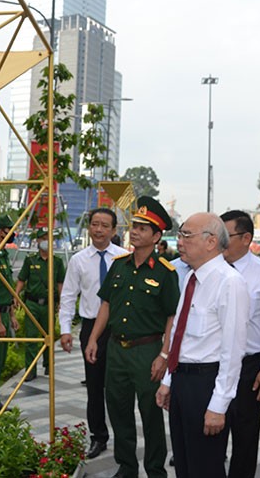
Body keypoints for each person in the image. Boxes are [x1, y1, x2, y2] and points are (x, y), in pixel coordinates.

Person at [85, 197, 179, 478]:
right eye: (134, 226)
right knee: (118, 410)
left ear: (157, 236)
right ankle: (127, 467)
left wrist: (164, 355)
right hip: (116, 350)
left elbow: (171, 318)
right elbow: (106, 305)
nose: (135, 231)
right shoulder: (119, 264)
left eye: (143, 227)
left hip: (146, 351)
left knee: (150, 414)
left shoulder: (165, 272)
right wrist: (93, 339)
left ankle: (154, 470)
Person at [156, 213, 250, 478]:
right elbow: (179, 335)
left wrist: (218, 406)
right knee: (184, 464)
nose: (180, 241)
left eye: (187, 235)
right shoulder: (190, 278)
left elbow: (233, 351)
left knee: (205, 467)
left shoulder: (229, 282)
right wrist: (168, 381)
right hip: (182, 381)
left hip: (206, 385)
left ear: (210, 242)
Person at [219, 210, 260, 478]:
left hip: (249, 366)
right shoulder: (210, 270)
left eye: (227, 235)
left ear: (246, 238)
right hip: (214, 363)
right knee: (211, 431)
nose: (221, 241)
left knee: (245, 437)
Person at [60, 208, 129, 460]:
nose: (98, 230)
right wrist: (65, 330)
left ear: (113, 230)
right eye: (94, 224)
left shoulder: (124, 258)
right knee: (95, 387)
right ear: (89, 227)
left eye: (104, 226)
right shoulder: (78, 260)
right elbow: (68, 297)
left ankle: (124, 437)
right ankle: (98, 437)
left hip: (120, 328)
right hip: (91, 330)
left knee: (120, 387)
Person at [16, 227, 65, 381]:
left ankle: (48, 365)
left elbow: (60, 284)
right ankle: (31, 370)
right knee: (31, 337)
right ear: (37, 241)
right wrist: (16, 295)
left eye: (48, 238)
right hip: (32, 304)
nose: (46, 241)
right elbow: (22, 280)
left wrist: (61, 302)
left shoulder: (57, 262)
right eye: (43, 238)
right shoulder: (30, 260)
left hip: (49, 305)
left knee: (48, 335)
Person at [0, 215, 20, 410]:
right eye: (8, 230)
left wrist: (12, 316)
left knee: (0, 361)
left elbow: (5, 288)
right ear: (1, 231)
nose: (11, 234)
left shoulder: (2, 255)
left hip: (4, 313)